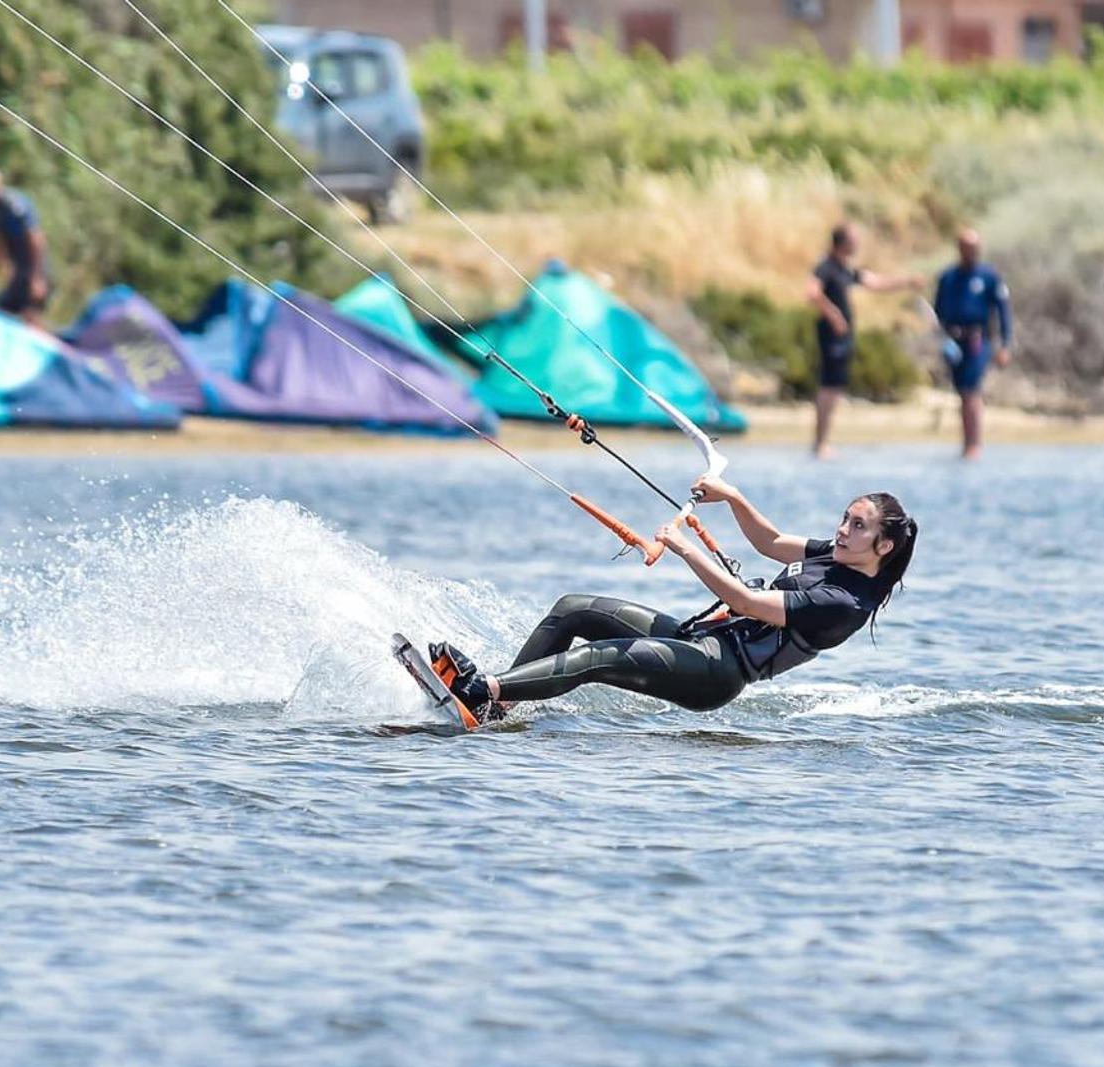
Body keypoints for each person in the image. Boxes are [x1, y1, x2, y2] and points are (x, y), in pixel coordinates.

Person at [428, 482, 917, 718]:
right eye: (845, 518)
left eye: (857, 526)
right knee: (572, 609)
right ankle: (498, 708)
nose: (842, 530)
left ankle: (483, 689)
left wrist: (685, 549)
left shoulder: (844, 601)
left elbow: (746, 603)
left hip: (718, 672)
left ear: (884, 546)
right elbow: (769, 541)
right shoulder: (836, 555)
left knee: (596, 658)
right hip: (699, 640)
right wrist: (730, 498)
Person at [807, 223, 922, 460]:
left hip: (843, 336)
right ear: (843, 242)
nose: (858, 243)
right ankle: (820, 443)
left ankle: (824, 441)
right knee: (828, 386)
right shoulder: (826, 267)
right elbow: (813, 292)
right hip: (831, 335)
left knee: (835, 386)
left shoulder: (845, 269)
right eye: (854, 239)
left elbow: (875, 282)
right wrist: (834, 315)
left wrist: (907, 282)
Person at [933, 228, 1012, 460]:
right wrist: (943, 340)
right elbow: (938, 312)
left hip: (978, 341)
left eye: (975, 247)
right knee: (962, 392)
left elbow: (1003, 311)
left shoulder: (989, 277)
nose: (971, 252)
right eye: (967, 247)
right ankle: (966, 443)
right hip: (954, 342)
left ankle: (975, 445)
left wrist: (1005, 344)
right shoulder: (947, 278)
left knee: (972, 390)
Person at [0, 163, 49, 321]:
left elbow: (37, 239)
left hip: (34, 271)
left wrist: (38, 279)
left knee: (30, 321)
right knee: (1, 311)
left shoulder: (13, 204)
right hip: (20, 275)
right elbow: (0, 247)